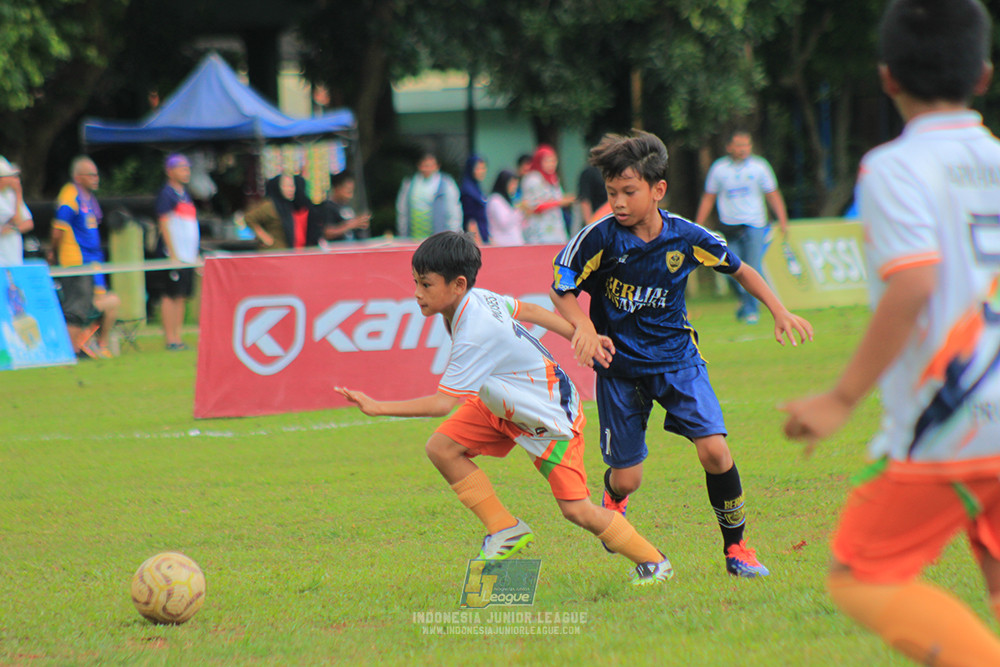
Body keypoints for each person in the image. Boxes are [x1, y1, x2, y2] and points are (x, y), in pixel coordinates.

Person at [782, 1, 1000, 663]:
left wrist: (840, 398)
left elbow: (913, 283)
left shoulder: (894, 167)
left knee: (859, 575)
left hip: (952, 424)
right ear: (984, 77)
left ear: (887, 79)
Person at [337, 231, 674, 584]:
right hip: (502, 402)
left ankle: (655, 562)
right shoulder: (475, 299)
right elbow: (527, 310)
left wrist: (378, 407)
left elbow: (441, 404)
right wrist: (578, 334)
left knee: (578, 511)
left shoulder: (475, 328)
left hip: (549, 417)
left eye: (425, 284)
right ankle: (505, 527)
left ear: (458, 284)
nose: (417, 293)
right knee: (441, 448)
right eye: (415, 282)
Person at [550, 130, 813, 578]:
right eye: (612, 192)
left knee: (715, 451)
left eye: (628, 192)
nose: (617, 202)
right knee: (628, 475)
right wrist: (587, 328)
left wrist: (779, 310)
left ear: (658, 190)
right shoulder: (599, 238)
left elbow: (741, 268)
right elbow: (562, 287)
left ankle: (738, 550)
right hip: (620, 368)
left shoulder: (687, 236)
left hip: (677, 361)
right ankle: (615, 498)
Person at [694, 130, 789, 324]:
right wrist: (698, 225)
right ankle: (744, 304)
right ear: (729, 147)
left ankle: (751, 311)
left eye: (746, 145)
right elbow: (709, 197)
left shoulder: (759, 167)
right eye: (738, 145)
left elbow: (772, 193)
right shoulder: (719, 169)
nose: (743, 149)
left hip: (755, 225)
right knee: (729, 268)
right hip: (729, 226)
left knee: (752, 267)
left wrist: (782, 219)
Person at [48, 156, 120, 358]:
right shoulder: (70, 195)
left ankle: (94, 344)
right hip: (76, 262)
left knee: (108, 302)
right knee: (77, 307)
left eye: (96, 174)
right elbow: (58, 229)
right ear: (78, 177)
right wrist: (53, 252)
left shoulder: (89, 198)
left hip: (92, 263)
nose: (96, 178)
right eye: (91, 174)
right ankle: (71, 350)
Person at [154, 153, 200, 351]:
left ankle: (178, 336)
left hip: (187, 256)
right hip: (173, 255)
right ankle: (170, 338)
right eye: (182, 168)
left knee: (181, 295)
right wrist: (172, 253)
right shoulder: (166, 194)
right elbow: (164, 222)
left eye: (187, 168)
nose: (186, 172)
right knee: (169, 294)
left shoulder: (185, 194)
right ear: (170, 171)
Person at [395, 152, 461, 240]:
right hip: (413, 237)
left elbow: (454, 212)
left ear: (437, 166)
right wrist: (402, 233)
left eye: (430, 165)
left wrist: (453, 236)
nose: (427, 169)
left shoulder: (447, 184)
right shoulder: (409, 183)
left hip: (439, 239)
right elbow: (402, 210)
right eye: (425, 165)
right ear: (419, 166)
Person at [521, 145, 575, 245]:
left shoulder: (553, 179)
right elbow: (533, 206)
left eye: (553, 161)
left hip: (556, 230)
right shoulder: (533, 179)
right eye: (547, 161)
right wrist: (560, 202)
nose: (551, 164)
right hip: (539, 232)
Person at [313, 171, 370, 247]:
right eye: (348, 191)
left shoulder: (347, 207)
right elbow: (327, 232)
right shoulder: (327, 207)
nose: (350, 196)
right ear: (337, 188)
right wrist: (349, 226)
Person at [244, 174, 299, 250]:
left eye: (292, 186)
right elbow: (249, 218)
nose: (291, 189)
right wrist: (264, 237)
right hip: (271, 253)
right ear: (278, 187)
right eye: (286, 186)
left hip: (284, 252)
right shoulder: (270, 205)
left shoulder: (286, 206)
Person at [0, 157, 32, 266]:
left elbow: (28, 223)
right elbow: (18, 219)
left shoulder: (10, 195)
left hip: (14, 257)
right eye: (10, 177)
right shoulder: (12, 197)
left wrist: (13, 228)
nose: (15, 180)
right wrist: (18, 193)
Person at [485, 170, 525, 247]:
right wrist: (519, 209)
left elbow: (518, 224)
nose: (514, 187)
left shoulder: (509, 200)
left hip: (515, 244)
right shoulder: (495, 200)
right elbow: (504, 222)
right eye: (512, 183)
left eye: (516, 184)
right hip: (503, 244)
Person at [459, 155, 490, 243]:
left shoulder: (477, 188)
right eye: (478, 168)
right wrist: (478, 245)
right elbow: (470, 221)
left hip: (484, 235)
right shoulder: (468, 191)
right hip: (476, 240)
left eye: (483, 168)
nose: (481, 172)